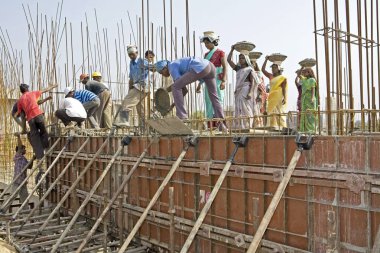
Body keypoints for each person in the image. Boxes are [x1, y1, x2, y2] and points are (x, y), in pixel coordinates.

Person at [154, 57, 227, 131]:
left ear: (164, 68)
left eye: (161, 73)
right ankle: (222, 125)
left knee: (175, 86)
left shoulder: (171, 66)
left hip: (201, 67)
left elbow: (176, 86)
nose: (162, 75)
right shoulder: (176, 64)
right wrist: (172, 106)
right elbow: (184, 90)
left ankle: (182, 117)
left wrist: (165, 90)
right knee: (214, 97)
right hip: (210, 67)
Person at [16, 83, 58, 159]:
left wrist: (23, 128)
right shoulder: (33, 93)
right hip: (38, 115)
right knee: (43, 132)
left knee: (35, 136)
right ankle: (46, 148)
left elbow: (21, 114)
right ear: (27, 89)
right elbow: (45, 90)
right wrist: (53, 86)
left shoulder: (20, 100)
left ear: (21, 91)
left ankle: (40, 155)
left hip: (30, 119)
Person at [197, 32, 227, 128]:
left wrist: (224, 81)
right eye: (205, 43)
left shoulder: (220, 52)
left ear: (213, 42)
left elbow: (225, 67)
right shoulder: (206, 55)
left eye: (207, 43)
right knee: (208, 101)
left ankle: (220, 123)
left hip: (217, 79)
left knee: (218, 100)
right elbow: (204, 70)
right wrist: (199, 84)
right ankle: (211, 125)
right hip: (208, 80)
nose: (206, 45)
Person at [116, 45, 151, 127]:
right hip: (137, 87)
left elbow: (151, 67)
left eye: (133, 54)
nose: (131, 56)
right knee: (141, 110)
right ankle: (145, 127)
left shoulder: (142, 61)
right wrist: (130, 89)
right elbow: (131, 78)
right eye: (129, 55)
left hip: (142, 86)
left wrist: (156, 67)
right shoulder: (131, 63)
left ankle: (123, 121)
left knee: (126, 103)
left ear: (137, 53)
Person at [227, 47, 259, 129]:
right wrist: (232, 50)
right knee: (238, 108)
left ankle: (247, 125)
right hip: (238, 91)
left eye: (242, 58)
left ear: (246, 59)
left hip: (245, 90)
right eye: (239, 58)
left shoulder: (250, 70)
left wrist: (251, 92)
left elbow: (253, 82)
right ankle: (239, 126)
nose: (241, 60)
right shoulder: (238, 69)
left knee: (246, 108)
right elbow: (229, 60)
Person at [261, 56, 288, 129]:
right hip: (271, 98)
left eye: (274, 68)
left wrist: (285, 98)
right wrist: (266, 59)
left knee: (280, 112)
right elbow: (263, 70)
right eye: (272, 68)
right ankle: (272, 127)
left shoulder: (283, 78)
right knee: (271, 112)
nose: (273, 69)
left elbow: (284, 89)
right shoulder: (271, 76)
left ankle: (282, 128)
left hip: (279, 97)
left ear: (278, 68)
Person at [13, 133, 33, 207]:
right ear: (20, 150)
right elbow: (20, 146)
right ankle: (3, 210)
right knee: (12, 197)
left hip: (23, 182)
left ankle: (25, 211)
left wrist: (33, 159)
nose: (25, 150)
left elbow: (30, 167)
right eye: (24, 149)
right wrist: (18, 137)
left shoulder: (24, 159)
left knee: (24, 199)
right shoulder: (18, 156)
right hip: (17, 181)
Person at [298, 67, 318, 133]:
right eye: (303, 72)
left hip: (310, 99)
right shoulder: (304, 79)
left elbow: (313, 89)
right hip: (304, 99)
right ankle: (304, 130)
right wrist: (302, 67)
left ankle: (311, 129)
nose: (303, 73)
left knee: (310, 115)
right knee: (304, 114)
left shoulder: (312, 80)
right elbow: (298, 75)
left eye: (305, 72)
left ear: (309, 72)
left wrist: (312, 98)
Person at [251, 60, 267, 127]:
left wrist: (260, 96)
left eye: (252, 64)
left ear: (255, 65)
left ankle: (258, 126)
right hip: (251, 95)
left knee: (257, 111)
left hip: (257, 95)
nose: (251, 66)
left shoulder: (258, 73)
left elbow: (261, 86)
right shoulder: (249, 72)